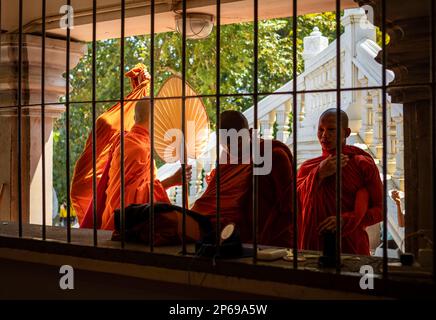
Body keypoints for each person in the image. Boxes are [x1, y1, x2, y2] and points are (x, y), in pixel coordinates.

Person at [191, 110, 294, 247]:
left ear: (249, 132)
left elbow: (288, 204)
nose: (230, 148)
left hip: (266, 236)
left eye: (236, 141)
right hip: (223, 230)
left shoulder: (273, 154)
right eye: (225, 142)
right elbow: (212, 200)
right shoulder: (226, 158)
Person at [297, 108, 383, 255]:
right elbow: (293, 205)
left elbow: (381, 209)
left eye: (331, 129)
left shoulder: (361, 164)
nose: (324, 135)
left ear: (346, 133)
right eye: (320, 130)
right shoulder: (307, 168)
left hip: (351, 246)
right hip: (312, 245)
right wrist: (318, 174)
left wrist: (347, 220)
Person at [100, 100, 192, 230]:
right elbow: (128, 197)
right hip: (121, 224)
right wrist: (171, 181)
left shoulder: (133, 142)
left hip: (119, 218)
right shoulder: (138, 148)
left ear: (135, 118)